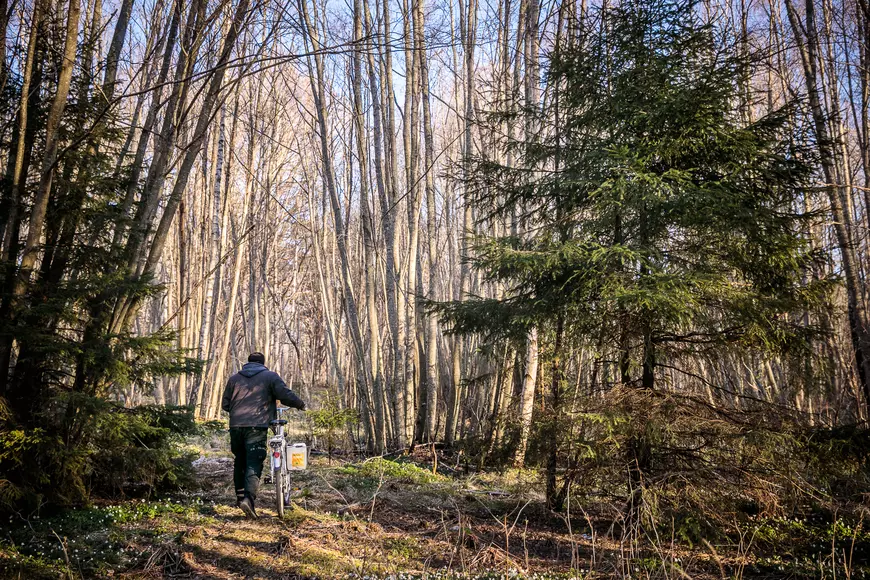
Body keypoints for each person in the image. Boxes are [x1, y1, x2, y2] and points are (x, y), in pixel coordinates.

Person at [221, 352, 305, 518]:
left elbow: (225, 404)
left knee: (240, 459)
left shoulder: (234, 379)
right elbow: (284, 395)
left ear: (248, 362)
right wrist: (300, 404)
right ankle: (249, 499)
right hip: (257, 426)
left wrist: (238, 412)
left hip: (236, 425)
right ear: (263, 363)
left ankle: (240, 497)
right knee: (254, 461)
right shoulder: (270, 377)